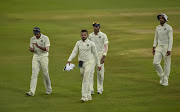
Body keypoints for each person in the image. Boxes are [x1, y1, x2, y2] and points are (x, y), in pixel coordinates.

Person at [67, 30, 101, 102]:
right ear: (80, 35)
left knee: (85, 79)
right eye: (82, 35)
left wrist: (98, 64)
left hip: (89, 62)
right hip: (81, 63)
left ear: (87, 35)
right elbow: (74, 52)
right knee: (83, 78)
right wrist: (69, 59)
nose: (83, 36)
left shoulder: (91, 43)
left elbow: (95, 54)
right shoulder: (78, 43)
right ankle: (89, 95)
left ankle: (84, 96)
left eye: (84, 35)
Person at [26, 27, 52, 96]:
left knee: (45, 73)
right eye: (35, 34)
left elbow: (47, 49)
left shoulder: (45, 38)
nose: (36, 35)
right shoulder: (32, 39)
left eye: (37, 33)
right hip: (36, 56)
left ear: (40, 32)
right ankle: (31, 91)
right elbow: (33, 50)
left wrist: (38, 46)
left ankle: (48, 89)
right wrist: (31, 49)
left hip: (44, 56)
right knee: (34, 73)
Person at [152, 13, 173, 86]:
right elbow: (156, 38)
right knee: (155, 62)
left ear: (165, 19)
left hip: (166, 47)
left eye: (162, 18)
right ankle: (162, 75)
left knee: (167, 63)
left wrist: (169, 49)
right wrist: (154, 46)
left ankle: (166, 79)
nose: (161, 19)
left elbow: (171, 39)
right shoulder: (157, 28)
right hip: (159, 47)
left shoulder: (169, 28)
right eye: (160, 18)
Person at [89, 22, 109, 94]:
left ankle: (99, 88)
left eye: (96, 26)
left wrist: (104, 56)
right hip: (92, 55)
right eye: (94, 26)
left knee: (100, 73)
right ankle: (91, 89)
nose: (95, 28)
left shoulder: (103, 35)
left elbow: (106, 46)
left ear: (99, 27)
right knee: (91, 72)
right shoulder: (90, 36)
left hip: (100, 55)